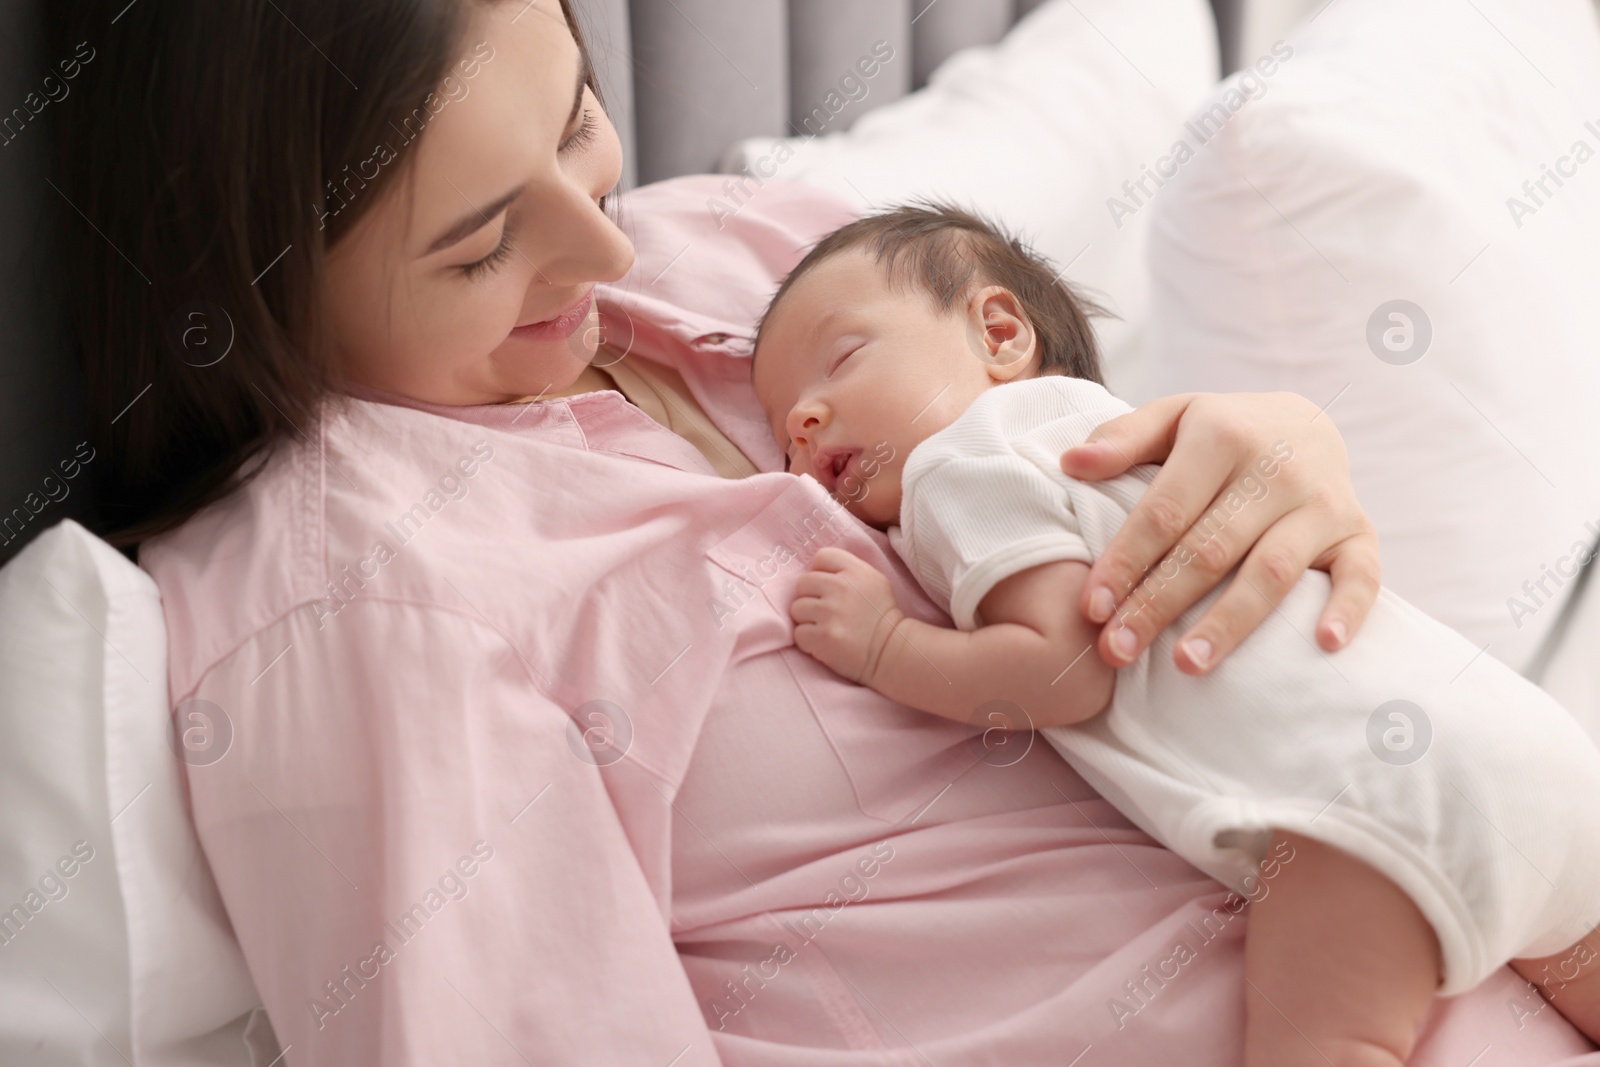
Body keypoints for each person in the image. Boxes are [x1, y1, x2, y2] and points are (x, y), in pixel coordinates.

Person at [46, 0, 1599, 1063]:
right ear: (248, 294)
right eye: (477, 244)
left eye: (578, 119)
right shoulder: (357, 606)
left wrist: (1265, 450)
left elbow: (1064, 457)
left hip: (1484, 887)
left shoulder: (747, 251)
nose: (605, 238)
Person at [749, 204, 1600, 1067]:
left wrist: (884, 645)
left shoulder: (957, 466)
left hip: (1371, 806)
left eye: (843, 360)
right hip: (1530, 749)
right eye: (781, 430)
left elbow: (1067, 667)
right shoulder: (1112, 432)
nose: (803, 423)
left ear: (999, 331)